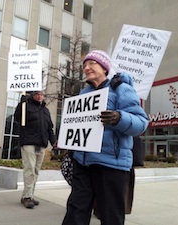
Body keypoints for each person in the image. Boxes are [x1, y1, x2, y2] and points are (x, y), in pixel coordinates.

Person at [62, 50, 149, 225]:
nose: (86, 68)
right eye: (85, 65)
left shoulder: (121, 89)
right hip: (82, 161)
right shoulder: (83, 93)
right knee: (75, 210)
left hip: (110, 163)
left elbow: (141, 123)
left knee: (111, 215)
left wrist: (119, 118)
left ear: (104, 67)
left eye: (92, 63)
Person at [14, 91, 57, 209]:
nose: (40, 96)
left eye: (42, 94)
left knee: (36, 171)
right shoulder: (26, 106)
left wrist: (53, 142)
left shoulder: (45, 111)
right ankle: (27, 197)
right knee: (29, 170)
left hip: (41, 145)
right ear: (33, 95)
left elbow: (50, 129)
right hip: (29, 143)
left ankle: (29, 195)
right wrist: (21, 103)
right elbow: (17, 118)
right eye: (37, 94)